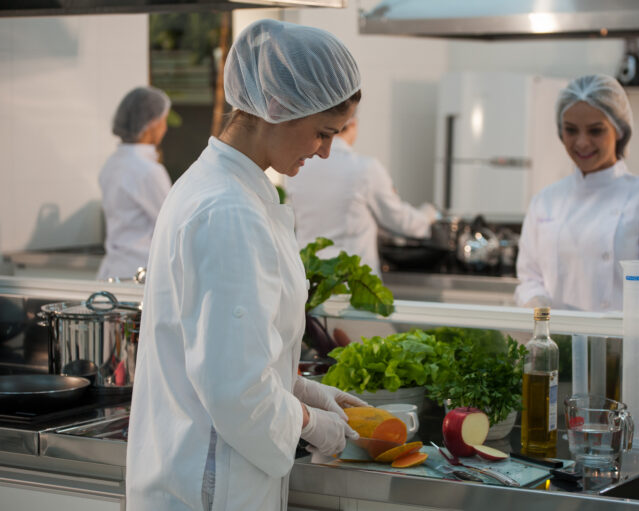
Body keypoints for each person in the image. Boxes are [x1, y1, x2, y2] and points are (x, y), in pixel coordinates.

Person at [126, 20, 368, 510]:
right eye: (323, 133)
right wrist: (312, 424)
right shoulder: (229, 210)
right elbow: (236, 391)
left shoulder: (220, 187)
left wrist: (309, 392)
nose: (324, 151)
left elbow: (226, 355)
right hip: (208, 488)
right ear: (277, 108)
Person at [514, 74, 639, 316]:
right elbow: (529, 277)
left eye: (596, 131)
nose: (582, 143)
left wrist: (623, 339)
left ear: (619, 130)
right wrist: (535, 302)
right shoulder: (545, 201)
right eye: (571, 130)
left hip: (625, 348)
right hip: (556, 344)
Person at [285, 115, 436, 275]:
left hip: (309, 274)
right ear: (353, 123)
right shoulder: (365, 168)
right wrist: (428, 216)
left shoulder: (299, 167)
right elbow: (398, 219)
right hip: (352, 281)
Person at [97, 86, 172, 280]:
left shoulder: (112, 163)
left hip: (113, 270)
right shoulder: (148, 171)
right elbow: (172, 224)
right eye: (164, 120)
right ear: (152, 124)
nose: (165, 128)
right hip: (139, 273)